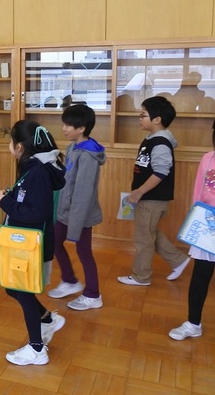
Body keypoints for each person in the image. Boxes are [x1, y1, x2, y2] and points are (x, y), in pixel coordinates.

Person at [0, 120, 66, 366]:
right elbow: (30, 200)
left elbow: (36, 212)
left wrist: (5, 202)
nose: (9, 145)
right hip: (24, 242)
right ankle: (47, 319)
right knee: (12, 287)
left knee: (22, 291)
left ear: (20, 147)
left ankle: (36, 348)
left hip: (30, 245)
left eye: (11, 141)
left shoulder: (37, 172)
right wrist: (11, 196)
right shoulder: (34, 167)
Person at [118, 96, 190, 286]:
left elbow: (161, 171)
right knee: (149, 233)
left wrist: (139, 192)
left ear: (157, 119)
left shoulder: (160, 143)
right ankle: (179, 260)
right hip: (150, 199)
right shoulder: (153, 139)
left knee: (143, 239)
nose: (140, 118)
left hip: (152, 199)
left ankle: (141, 276)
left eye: (143, 115)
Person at [48, 104, 106, 310]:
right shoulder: (73, 147)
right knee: (54, 242)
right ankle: (70, 280)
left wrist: (75, 224)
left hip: (80, 214)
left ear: (81, 128)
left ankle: (93, 294)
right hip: (66, 211)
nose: (64, 128)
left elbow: (83, 193)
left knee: (84, 252)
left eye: (69, 125)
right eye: (64, 124)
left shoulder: (88, 155)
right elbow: (68, 178)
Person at [169, 119, 215, 340]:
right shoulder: (209, 158)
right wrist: (195, 224)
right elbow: (198, 195)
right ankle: (193, 322)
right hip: (209, 227)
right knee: (200, 275)